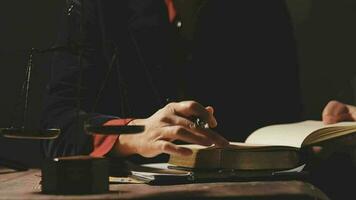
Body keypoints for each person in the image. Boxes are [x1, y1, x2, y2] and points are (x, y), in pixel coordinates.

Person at [41, 0, 302, 160]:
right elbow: (56, 126)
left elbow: (283, 117)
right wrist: (133, 134)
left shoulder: (263, 8)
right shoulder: (100, 5)